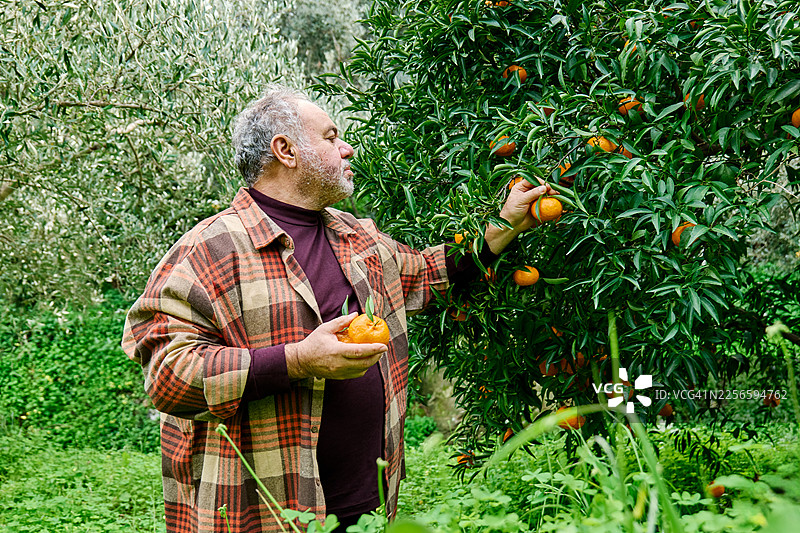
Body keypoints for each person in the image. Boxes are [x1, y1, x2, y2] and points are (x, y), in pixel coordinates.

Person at [122, 85, 552, 533]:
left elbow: (427, 274)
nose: (347, 148)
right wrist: (297, 360)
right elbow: (169, 376)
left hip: (368, 504)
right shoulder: (210, 250)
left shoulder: (355, 235)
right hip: (267, 512)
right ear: (286, 150)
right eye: (330, 137)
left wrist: (505, 225)